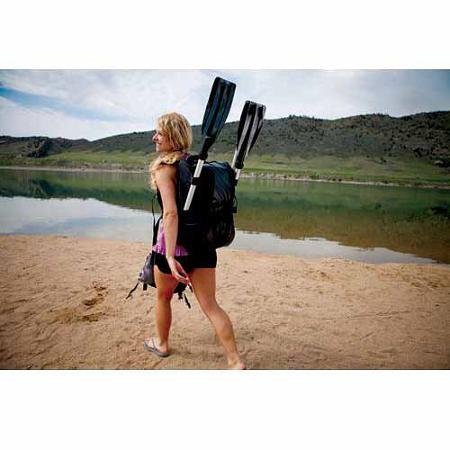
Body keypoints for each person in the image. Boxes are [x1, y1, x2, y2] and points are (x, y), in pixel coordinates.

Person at [144, 112, 246, 369]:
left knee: (163, 298)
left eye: (159, 133)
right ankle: (235, 361)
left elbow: (171, 213)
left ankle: (162, 344)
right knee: (211, 305)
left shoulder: (165, 168)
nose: (154, 137)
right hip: (203, 246)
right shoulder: (198, 167)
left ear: (172, 136)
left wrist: (169, 256)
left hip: (173, 248)